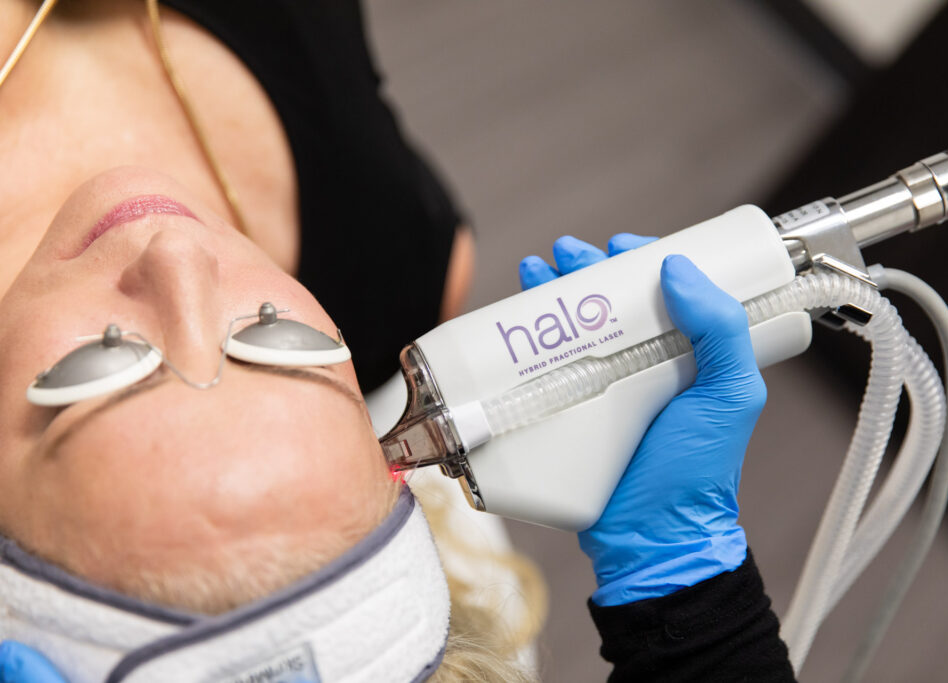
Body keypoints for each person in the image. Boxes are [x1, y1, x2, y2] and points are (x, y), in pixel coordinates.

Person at [0, 1, 795, 680]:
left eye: (95, 370)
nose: (179, 255)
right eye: (274, 342)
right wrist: (687, 592)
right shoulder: (390, 259)